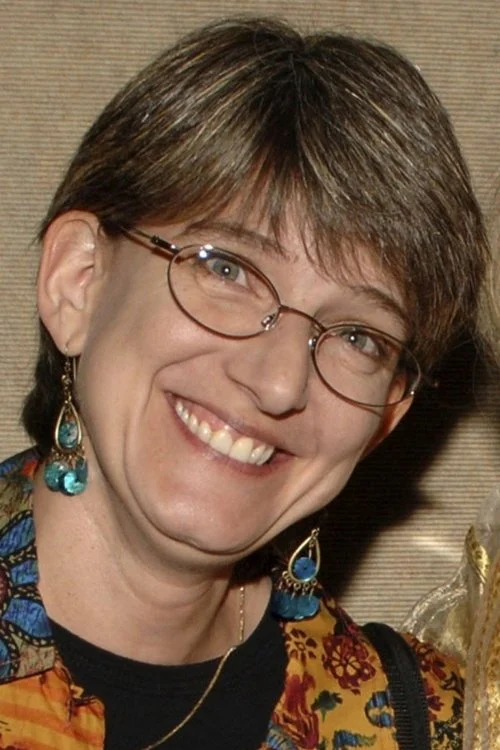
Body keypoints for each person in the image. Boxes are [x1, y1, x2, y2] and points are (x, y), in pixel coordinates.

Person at [0, 16, 488, 750]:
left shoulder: (441, 724)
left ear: (386, 417)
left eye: (358, 336)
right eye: (227, 269)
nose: (280, 381)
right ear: (79, 281)